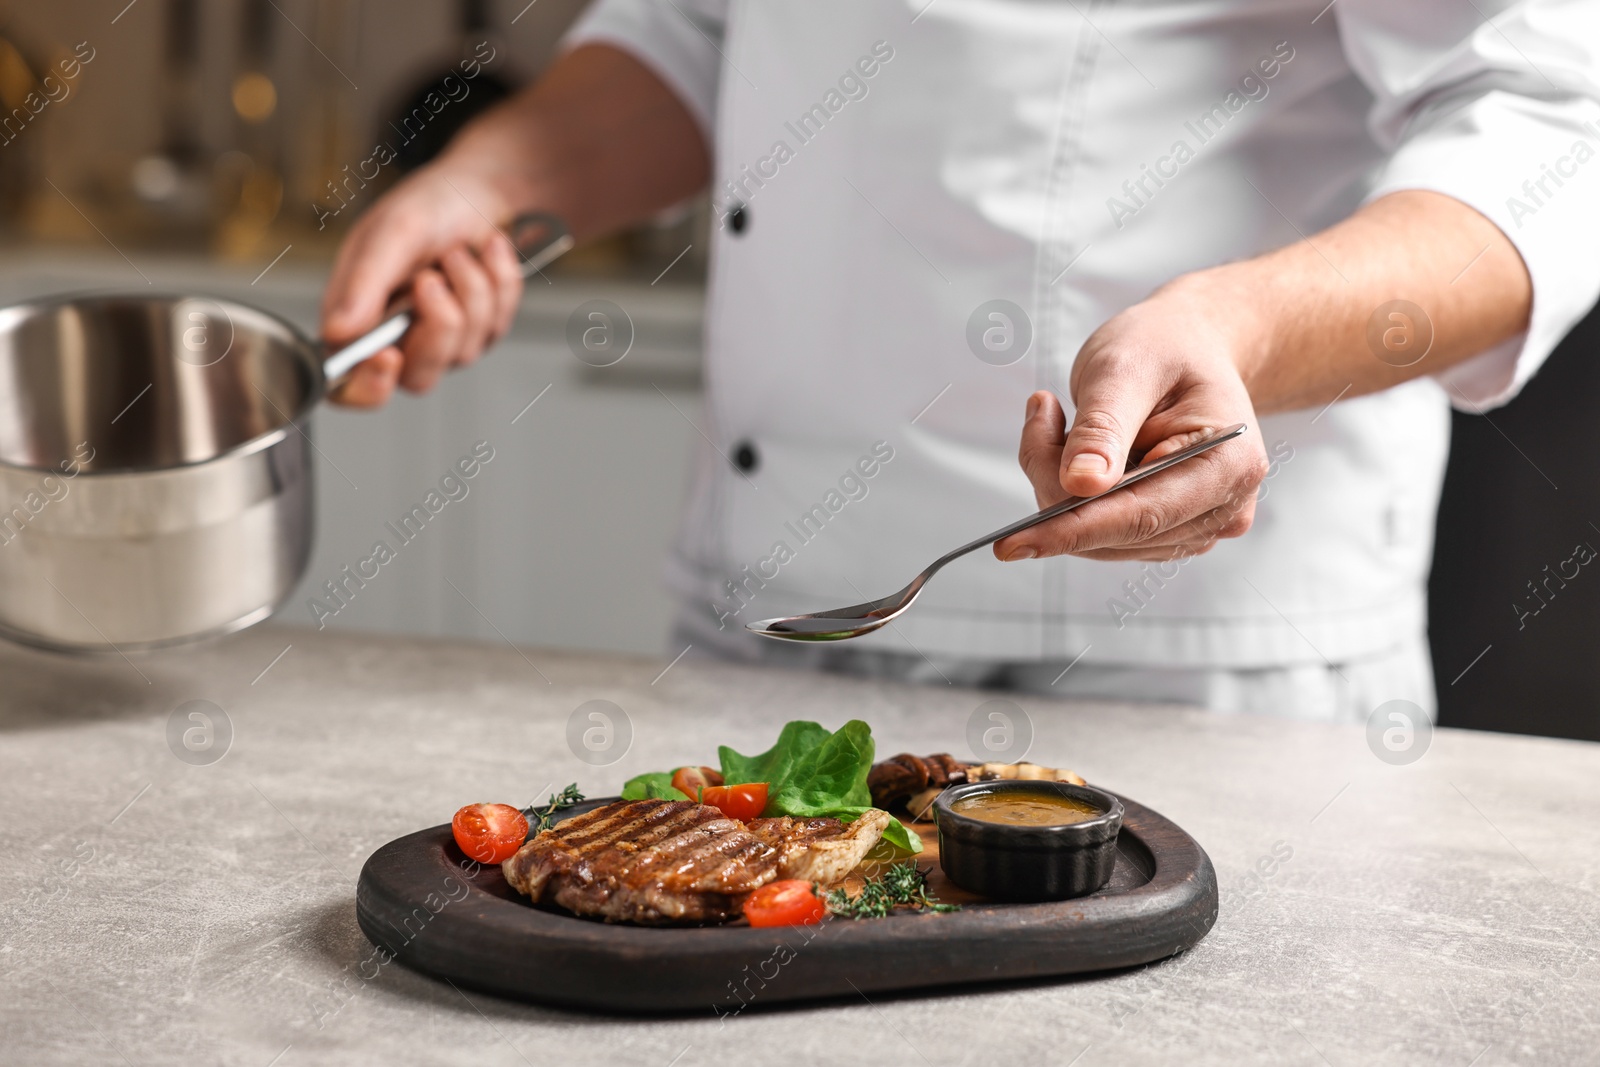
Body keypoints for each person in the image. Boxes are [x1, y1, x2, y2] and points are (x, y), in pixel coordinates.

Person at [321, 1, 1600, 722]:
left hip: (1166, 655)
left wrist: (1241, 331)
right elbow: (701, 28)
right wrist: (497, 177)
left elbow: (1552, 119)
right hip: (770, 616)